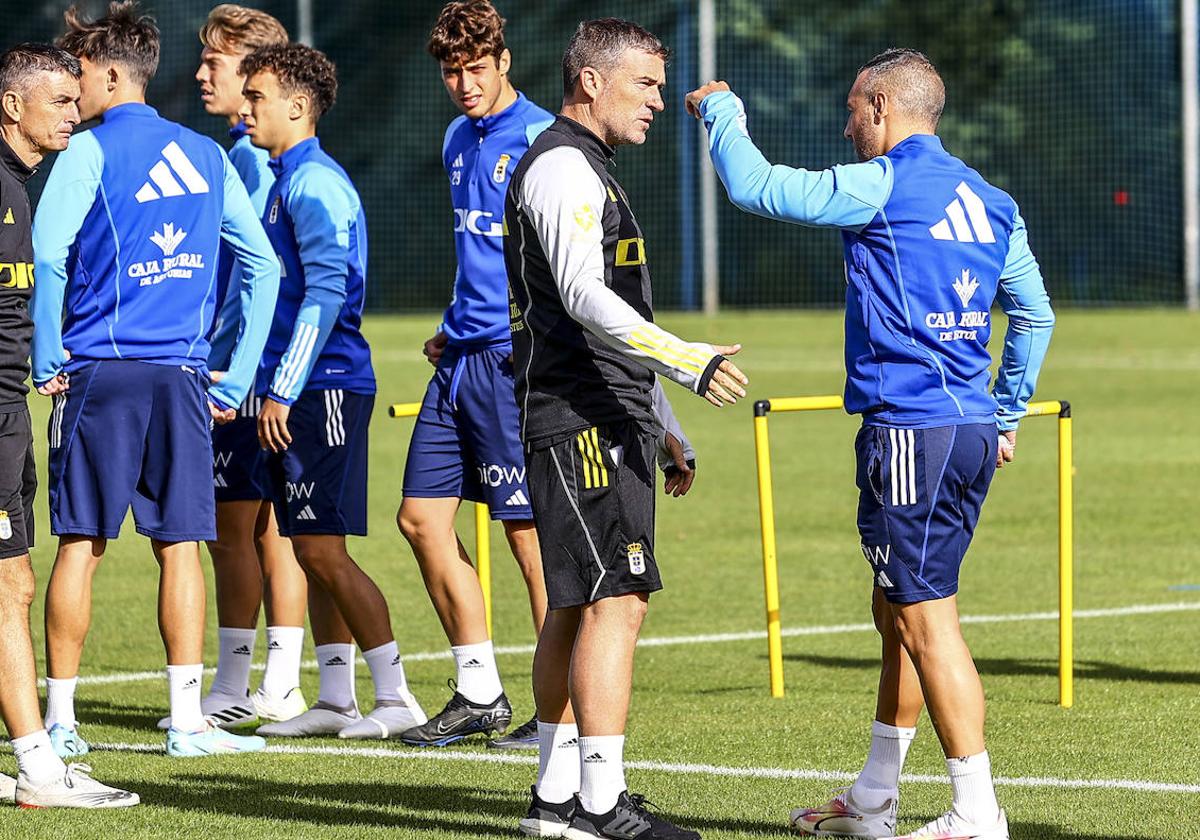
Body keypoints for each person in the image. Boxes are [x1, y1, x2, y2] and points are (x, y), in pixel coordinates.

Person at [686, 48, 1055, 840]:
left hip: (911, 432)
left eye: (854, 108)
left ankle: (976, 813)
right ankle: (874, 800)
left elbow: (756, 188)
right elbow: (1034, 316)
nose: (846, 122)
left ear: (884, 106)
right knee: (897, 611)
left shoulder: (882, 184)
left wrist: (722, 110)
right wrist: (1010, 411)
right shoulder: (993, 199)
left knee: (926, 620)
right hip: (967, 431)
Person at [505, 18, 747, 840]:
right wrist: (689, 362)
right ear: (590, 81)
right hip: (580, 417)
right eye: (644, 84)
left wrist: (664, 422)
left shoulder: (588, 167)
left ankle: (552, 803)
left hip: (604, 410)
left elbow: (613, 316)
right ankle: (601, 809)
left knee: (575, 605)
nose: (657, 101)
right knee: (620, 600)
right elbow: (583, 298)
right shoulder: (566, 168)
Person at [30, 0, 279, 759]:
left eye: (79, 77)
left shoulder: (86, 153)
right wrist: (234, 381)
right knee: (182, 547)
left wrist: (46, 357)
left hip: (99, 375)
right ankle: (187, 724)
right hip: (182, 378)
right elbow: (261, 266)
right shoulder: (208, 153)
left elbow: (47, 258)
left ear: (111, 74)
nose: (75, 95)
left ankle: (62, 725)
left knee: (81, 544)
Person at [238, 43, 426, 741]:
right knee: (309, 543)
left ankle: (398, 696)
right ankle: (336, 698)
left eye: (257, 97)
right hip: (301, 386)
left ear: (297, 105)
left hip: (327, 387)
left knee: (321, 550)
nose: (246, 109)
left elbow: (327, 293)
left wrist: (282, 390)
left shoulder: (315, 183)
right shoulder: (287, 177)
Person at [396, 0, 553, 750]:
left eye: (476, 69)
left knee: (528, 537)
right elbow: (479, 252)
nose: (463, 84)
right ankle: (479, 691)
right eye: (452, 72)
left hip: (511, 363)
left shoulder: (543, 140)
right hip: (458, 355)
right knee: (421, 519)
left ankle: (565, 708)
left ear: (504, 62)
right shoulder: (460, 136)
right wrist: (452, 322)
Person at [0, 41, 137, 808]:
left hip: (9, 407)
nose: (74, 115)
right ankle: (38, 767)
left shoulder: (20, 189)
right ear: (12, 105)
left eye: (77, 102)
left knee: (12, 582)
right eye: (60, 102)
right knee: (7, 582)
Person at [162, 2, 306, 731]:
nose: (200, 73)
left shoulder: (244, 157)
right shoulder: (247, 151)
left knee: (237, 528)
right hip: (260, 368)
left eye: (214, 62)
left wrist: (236, 369)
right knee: (265, 526)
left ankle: (246, 683)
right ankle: (274, 683)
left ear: (254, 73)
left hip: (245, 373)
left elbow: (257, 274)